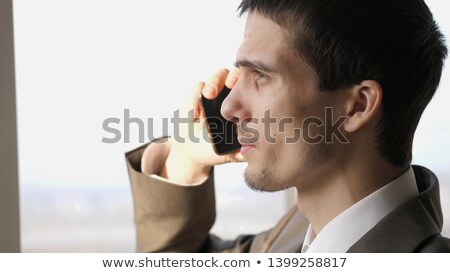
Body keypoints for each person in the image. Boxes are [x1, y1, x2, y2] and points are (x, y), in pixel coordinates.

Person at [126, 0, 450, 252]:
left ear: (358, 106)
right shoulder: (289, 240)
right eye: (240, 75)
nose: (227, 106)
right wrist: (184, 159)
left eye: (261, 76)